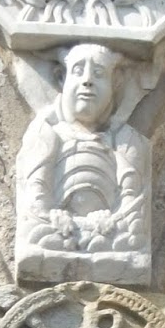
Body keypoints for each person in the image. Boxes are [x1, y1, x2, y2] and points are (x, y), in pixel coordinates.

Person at [17, 44, 149, 261]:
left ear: (115, 82)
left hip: (107, 228)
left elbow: (131, 203)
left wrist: (113, 218)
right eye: (78, 71)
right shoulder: (47, 132)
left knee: (128, 239)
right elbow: (36, 195)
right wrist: (52, 215)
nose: (88, 81)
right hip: (56, 226)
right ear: (61, 78)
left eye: (99, 74)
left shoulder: (125, 140)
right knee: (40, 236)